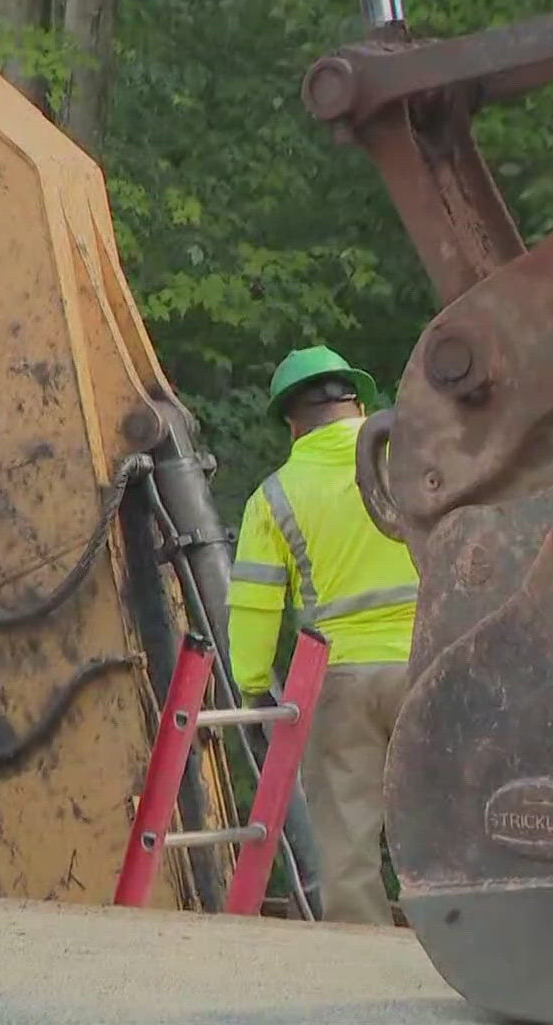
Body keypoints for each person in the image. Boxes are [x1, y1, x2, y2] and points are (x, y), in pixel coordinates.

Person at [225, 346, 417, 925]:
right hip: (433, 663)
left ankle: (361, 974)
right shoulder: (414, 459)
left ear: (292, 423)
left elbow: (255, 603)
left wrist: (254, 685)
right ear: (359, 402)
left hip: (339, 683)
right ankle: (453, 947)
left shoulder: (275, 495)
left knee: (347, 841)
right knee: (440, 820)